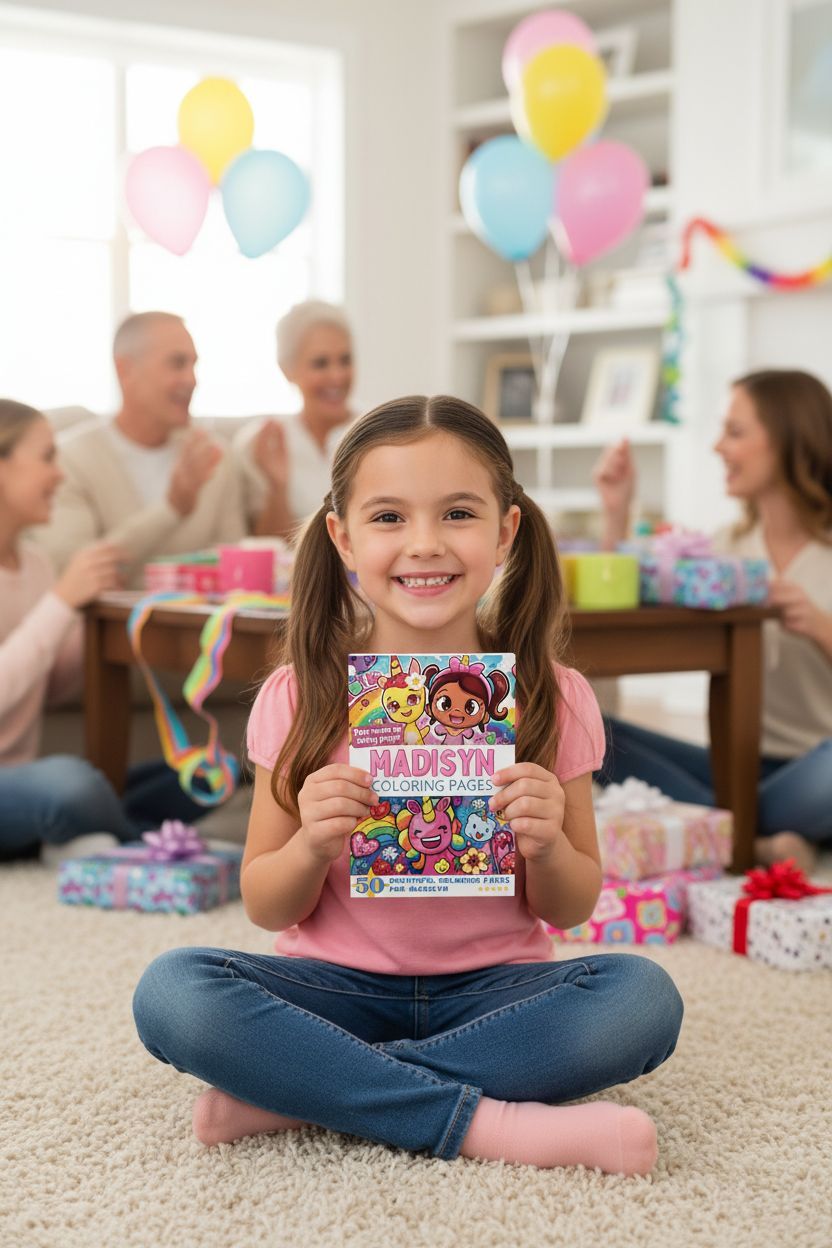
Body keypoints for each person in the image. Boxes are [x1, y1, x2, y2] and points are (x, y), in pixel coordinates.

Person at [134, 394, 683, 1175]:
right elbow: (265, 901)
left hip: (497, 991)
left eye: (458, 513)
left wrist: (549, 841)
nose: (424, 545)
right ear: (343, 537)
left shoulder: (553, 694)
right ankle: (494, 1126)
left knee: (642, 1000)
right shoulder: (299, 695)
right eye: (388, 517)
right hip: (331, 988)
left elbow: (571, 904)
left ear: (505, 532)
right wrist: (311, 844)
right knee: (173, 992)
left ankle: (303, 1089)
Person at [595, 368, 832, 875]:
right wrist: (616, 512)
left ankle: (727, 830)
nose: (718, 447)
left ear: (790, 438)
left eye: (735, 431)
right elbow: (638, 593)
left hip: (818, 764)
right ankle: (760, 838)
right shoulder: (725, 550)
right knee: (590, 730)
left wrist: (817, 623)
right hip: (738, 761)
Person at [0, 400, 213, 857]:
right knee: (71, 786)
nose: (59, 474)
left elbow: (52, 686)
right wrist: (61, 602)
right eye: (47, 458)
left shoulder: (34, 564)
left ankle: (79, 835)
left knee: (204, 773)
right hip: (34, 784)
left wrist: (90, 614)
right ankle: (134, 843)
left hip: (21, 778)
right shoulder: (45, 580)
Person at [35, 312, 246, 586]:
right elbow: (71, 574)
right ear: (125, 370)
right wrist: (172, 509)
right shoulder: (68, 461)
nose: (192, 380)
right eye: (177, 363)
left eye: (194, 365)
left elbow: (236, 564)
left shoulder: (215, 454)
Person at [233, 300, 354, 539]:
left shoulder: (381, 432)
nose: (337, 376)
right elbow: (269, 548)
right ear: (287, 369)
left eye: (345, 360)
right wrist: (277, 487)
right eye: (321, 363)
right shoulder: (260, 442)